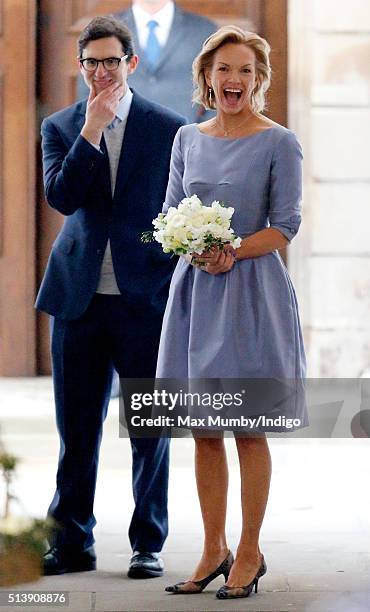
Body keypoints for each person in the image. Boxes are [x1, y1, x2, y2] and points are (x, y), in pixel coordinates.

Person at [156, 26, 307, 599]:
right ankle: (212, 546)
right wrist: (192, 247)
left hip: (252, 296)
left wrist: (232, 251)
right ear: (207, 78)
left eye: (245, 70)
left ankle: (249, 551)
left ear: (260, 80)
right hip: (195, 292)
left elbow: (286, 224)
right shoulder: (187, 139)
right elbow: (170, 212)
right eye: (224, 70)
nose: (233, 80)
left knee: (246, 428)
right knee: (203, 429)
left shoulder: (279, 143)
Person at [35, 15, 186, 578]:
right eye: (91, 63)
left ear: (132, 63)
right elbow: (63, 196)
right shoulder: (61, 125)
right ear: (81, 67)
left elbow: (180, 210)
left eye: (111, 61)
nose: (101, 72)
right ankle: (71, 541)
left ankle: (148, 542)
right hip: (78, 298)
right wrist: (91, 132)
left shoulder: (169, 128)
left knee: (151, 429)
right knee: (76, 430)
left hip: (144, 298)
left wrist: (172, 278)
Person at [77, 0, 216, 122]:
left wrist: (200, 141)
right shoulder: (101, 32)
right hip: (119, 146)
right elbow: (86, 97)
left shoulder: (204, 31)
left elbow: (216, 97)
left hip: (185, 145)